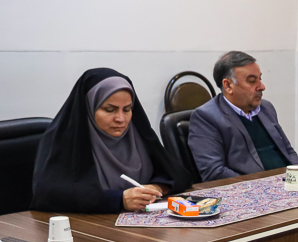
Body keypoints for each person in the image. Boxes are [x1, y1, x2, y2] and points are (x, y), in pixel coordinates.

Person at [32, 68, 191, 213]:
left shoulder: (138, 134)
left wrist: (156, 188)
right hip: (87, 228)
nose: (120, 119)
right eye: (109, 110)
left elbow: (179, 174)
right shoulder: (66, 140)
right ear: (89, 107)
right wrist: (119, 199)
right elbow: (49, 194)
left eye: (127, 109)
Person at [188, 51, 298, 181]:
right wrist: (260, 186)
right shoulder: (206, 117)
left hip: (286, 183)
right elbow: (214, 171)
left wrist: (294, 178)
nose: (262, 87)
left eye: (260, 79)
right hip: (250, 188)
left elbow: (288, 151)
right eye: (252, 81)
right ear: (228, 85)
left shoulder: (266, 108)